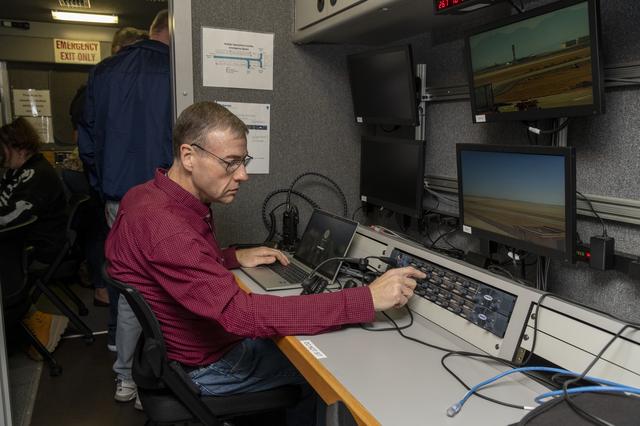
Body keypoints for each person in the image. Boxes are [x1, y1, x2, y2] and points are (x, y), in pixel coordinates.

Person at [105, 101, 424, 423]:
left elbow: (173, 263)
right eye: (230, 163)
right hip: (208, 367)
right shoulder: (167, 228)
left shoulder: (146, 197)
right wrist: (365, 299)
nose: (243, 175)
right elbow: (241, 316)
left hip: (181, 355)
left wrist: (229, 258)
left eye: (243, 161)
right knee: (332, 368)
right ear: (189, 156)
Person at [78, 9, 172, 408]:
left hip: (120, 198)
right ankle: (154, 378)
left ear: (150, 31)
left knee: (132, 289)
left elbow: (88, 143)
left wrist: (104, 193)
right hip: (168, 198)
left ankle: (126, 378)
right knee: (167, 291)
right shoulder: (179, 72)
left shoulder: (104, 72)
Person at [69, 25, 150, 347]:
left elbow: (86, 144)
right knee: (153, 281)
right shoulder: (169, 71)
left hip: (117, 192)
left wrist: (101, 185)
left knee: (125, 275)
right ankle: (148, 366)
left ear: (118, 48)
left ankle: (122, 354)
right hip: (161, 192)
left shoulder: (101, 75)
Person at [0, 117, 69, 359]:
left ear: (18, 147)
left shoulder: (36, 174)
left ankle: (23, 315)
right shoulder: (18, 171)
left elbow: (12, 215)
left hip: (42, 247)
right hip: (33, 241)